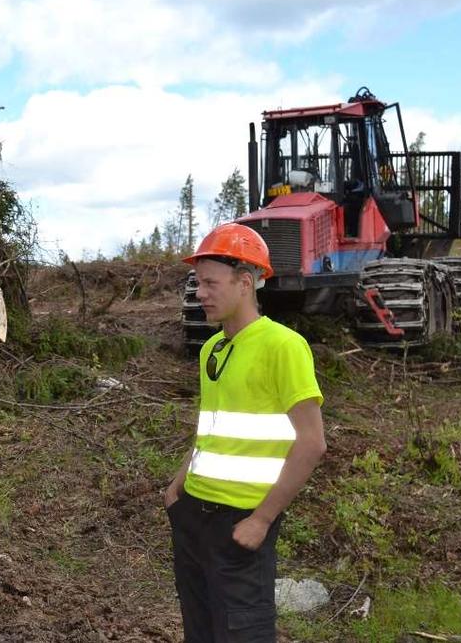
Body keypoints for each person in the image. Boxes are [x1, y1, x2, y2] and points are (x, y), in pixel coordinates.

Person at [164, 223, 326, 643]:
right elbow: (209, 427)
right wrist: (177, 487)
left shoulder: (283, 346)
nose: (201, 293)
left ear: (246, 282)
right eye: (198, 283)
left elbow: (311, 442)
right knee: (200, 630)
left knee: (243, 633)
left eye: (211, 283)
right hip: (194, 515)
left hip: (241, 523)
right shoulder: (211, 349)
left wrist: (262, 519)